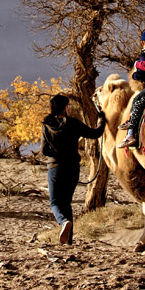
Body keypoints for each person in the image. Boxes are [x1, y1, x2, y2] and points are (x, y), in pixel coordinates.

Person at [40, 94, 106, 244]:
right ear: (65, 107)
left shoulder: (46, 125)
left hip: (55, 167)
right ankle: (68, 240)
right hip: (72, 167)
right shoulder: (73, 123)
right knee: (66, 202)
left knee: (55, 202)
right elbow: (95, 133)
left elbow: (44, 150)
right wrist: (101, 119)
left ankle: (63, 222)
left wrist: (56, 154)